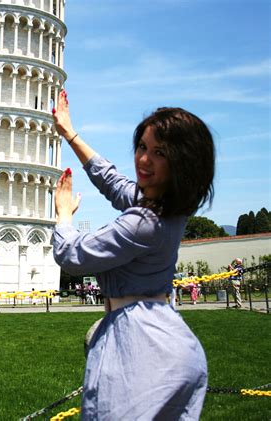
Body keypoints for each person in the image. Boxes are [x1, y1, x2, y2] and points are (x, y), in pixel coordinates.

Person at [52, 90, 214, 420]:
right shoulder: (169, 208)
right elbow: (113, 183)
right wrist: (70, 133)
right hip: (164, 334)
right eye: (142, 147)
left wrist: (63, 214)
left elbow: (72, 254)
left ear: (181, 163)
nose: (143, 159)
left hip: (138, 344)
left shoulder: (143, 222)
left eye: (159, 153)